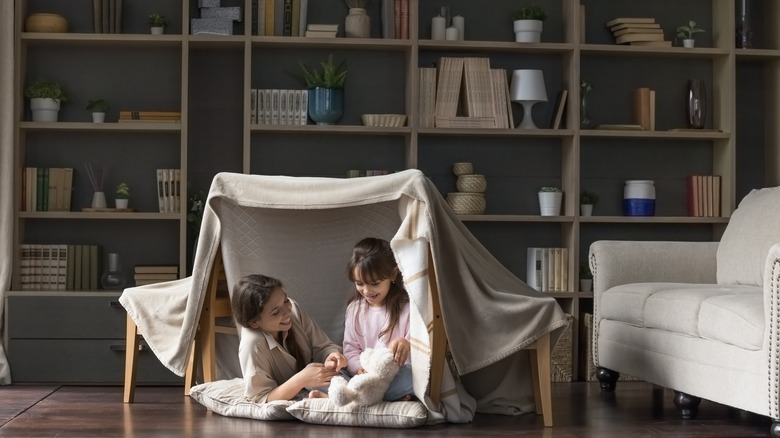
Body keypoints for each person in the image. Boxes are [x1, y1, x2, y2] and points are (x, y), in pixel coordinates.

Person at [232, 274, 347, 402]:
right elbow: (260, 398)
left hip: (315, 387)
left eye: (285, 300)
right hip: (305, 388)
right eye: (276, 312)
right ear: (255, 322)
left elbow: (324, 346)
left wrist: (331, 357)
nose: (287, 311)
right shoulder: (253, 342)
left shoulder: (293, 309)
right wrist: (302, 379)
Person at [342, 237, 414, 401]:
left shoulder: (408, 307)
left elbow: (420, 347)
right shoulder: (355, 309)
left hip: (396, 373)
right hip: (364, 376)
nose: (367, 291)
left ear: (393, 275)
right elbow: (351, 350)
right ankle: (376, 397)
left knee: (413, 378)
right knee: (323, 372)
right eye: (359, 283)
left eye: (374, 283)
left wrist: (407, 343)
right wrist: (359, 369)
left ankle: (355, 398)